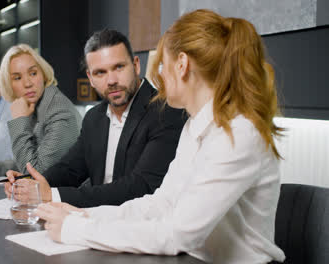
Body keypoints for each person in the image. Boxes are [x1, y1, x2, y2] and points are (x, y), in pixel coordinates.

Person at [35, 9, 286, 264]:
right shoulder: (194, 126)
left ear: (182, 64)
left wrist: (75, 229)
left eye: (163, 65)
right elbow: (161, 204)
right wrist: (85, 217)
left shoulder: (239, 133)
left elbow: (177, 234)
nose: (160, 75)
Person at [4, 29, 185, 207]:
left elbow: (140, 187)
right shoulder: (94, 118)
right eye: (100, 72)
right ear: (90, 78)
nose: (111, 80)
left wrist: (51, 194)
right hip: (93, 223)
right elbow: (70, 169)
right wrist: (28, 183)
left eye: (119, 67)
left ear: (136, 65)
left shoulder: (166, 112)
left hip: (138, 227)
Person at [0, 44, 82, 176]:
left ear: (44, 75)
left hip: (70, 194)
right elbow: (30, 160)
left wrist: (19, 121)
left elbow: (35, 172)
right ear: (9, 84)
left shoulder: (58, 112)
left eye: (33, 73)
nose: (28, 83)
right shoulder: (36, 106)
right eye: (17, 78)